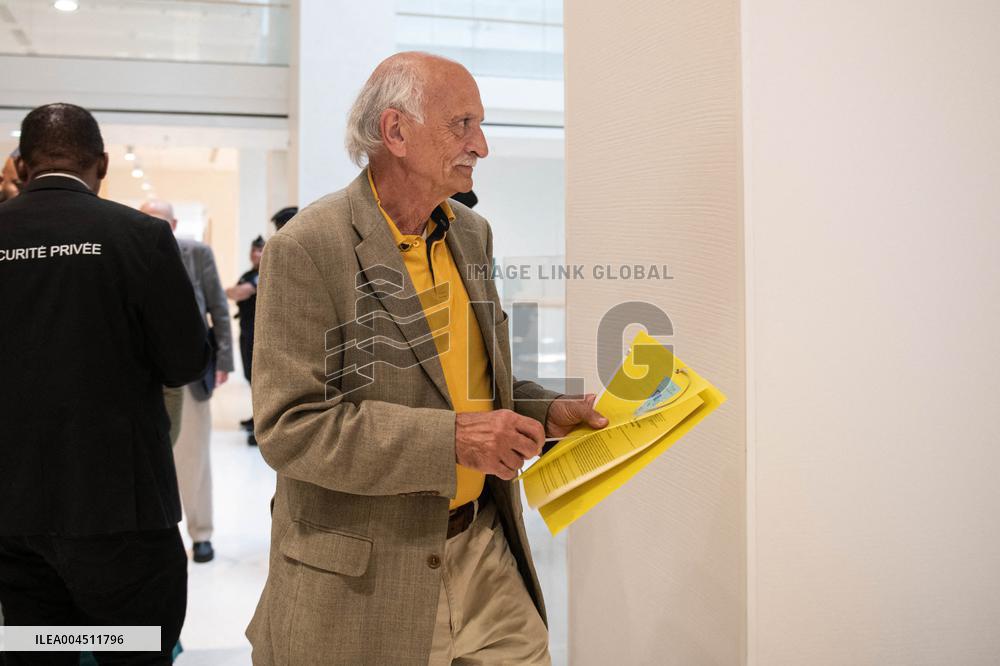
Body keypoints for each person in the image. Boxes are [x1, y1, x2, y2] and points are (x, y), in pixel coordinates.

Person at [246, 52, 608, 665]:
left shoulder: (471, 233)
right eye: (462, 124)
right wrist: (452, 442)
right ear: (396, 132)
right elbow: (291, 427)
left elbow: (466, 386)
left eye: (480, 125)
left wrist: (549, 413)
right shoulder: (308, 247)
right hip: (368, 580)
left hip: (485, 552)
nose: (482, 146)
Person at [0, 102, 209, 665]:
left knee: (35, 649)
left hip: (12, 514)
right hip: (121, 510)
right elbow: (186, 360)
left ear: (20, 166)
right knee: (133, 650)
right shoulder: (139, 237)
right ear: (104, 164)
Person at [140, 200, 233, 564]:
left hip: (190, 373)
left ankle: (202, 534)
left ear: (174, 223)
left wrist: (223, 360)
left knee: (194, 457)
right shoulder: (129, 252)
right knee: (149, 459)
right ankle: (159, 533)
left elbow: (218, 308)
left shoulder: (196, 253)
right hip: (145, 375)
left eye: (160, 222)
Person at [226, 235, 265, 445]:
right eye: (253, 250)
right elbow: (235, 292)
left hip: (258, 332)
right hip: (246, 330)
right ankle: (255, 417)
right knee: (250, 375)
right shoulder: (249, 274)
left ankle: (261, 422)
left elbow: (240, 292)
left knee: (259, 378)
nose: (255, 254)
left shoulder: (264, 273)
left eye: (260, 250)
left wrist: (228, 292)